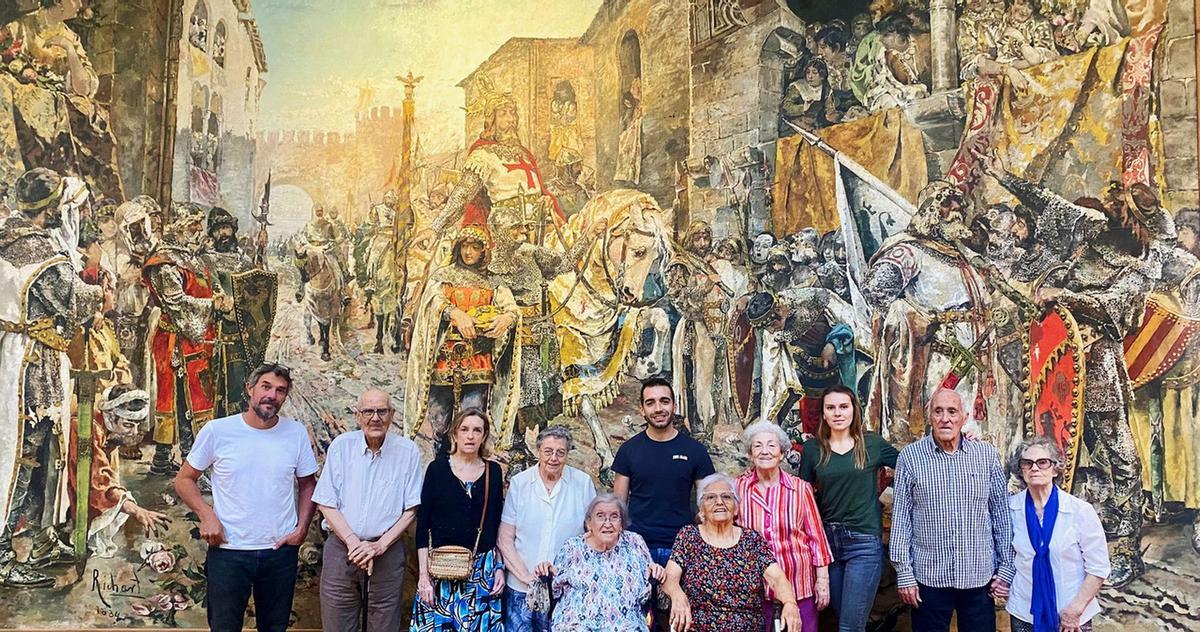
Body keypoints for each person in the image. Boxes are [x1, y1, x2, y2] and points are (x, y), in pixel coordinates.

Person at [0, 167, 104, 586]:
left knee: (40, 452)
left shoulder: (7, 236)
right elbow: (73, 302)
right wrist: (101, 293)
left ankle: (42, 538)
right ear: (51, 209)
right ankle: (5, 555)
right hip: (32, 363)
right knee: (23, 455)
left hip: (15, 356)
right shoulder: (39, 250)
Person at [173, 363, 318, 632]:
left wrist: (301, 530)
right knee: (225, 628)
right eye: (266, 387)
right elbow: (183, 479)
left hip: (279, 552)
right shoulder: (218, 431)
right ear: (250, 389)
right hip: (229, 550)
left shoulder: (295, 433)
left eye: (280, 390)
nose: (272, 395)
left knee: (274, 627)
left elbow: (308, 484)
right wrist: (207, 515)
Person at [889, 388, 1014, 632]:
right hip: (929, 578)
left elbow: (1000, 513)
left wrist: (1006, 566)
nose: (945, 418)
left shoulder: (986, 455)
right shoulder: (910, 457)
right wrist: (904, 573)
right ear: (930, 417)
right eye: (938, 411)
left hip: (979, 577)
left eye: (952, 411)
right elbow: (902, 517)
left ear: (964, 417)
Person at [404, 225, 519, 457]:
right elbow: (433, 301)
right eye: (465, 246)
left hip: (478, 359)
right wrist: (453, 313)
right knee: (440, 418)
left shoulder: (494, 282)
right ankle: (441, 460)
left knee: (473, 418)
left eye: (475, 247)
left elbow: (511, 308)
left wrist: (507, 318)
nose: (469, 252)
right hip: (443, 358)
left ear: (483, 252)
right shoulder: (443, 276)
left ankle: (469, 464)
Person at [313, 389, 423, 632]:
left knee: (384, 624)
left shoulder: (408, 452)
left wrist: (379, 546)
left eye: (382, 411)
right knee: (337, 624)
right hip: (342, 549)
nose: (375, 418)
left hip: (387, 550)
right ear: (357, 415)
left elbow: (411, 508)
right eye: (368, 411)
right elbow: (325, 502)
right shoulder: (341, 447)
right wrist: (353, 543)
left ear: (392, 414)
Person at [612, 377, 715, 630]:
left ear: (674, 405)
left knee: (678, 621)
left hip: (681, 549)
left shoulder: (695, 450)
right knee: (637, 618)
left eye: (664, 401)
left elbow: (706, 508)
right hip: (638, 548)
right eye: (651, 403)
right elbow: (617, 506)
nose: (658, 408)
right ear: (642, 409)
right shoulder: (629, 450)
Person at [798, 385, 900, 631]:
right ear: (823, 413)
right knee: (846, 619)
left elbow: (912, 463)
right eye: (831, 408)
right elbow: (801, 495)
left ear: (854, 410)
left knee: (849, 627)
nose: (838, 413)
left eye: (844, 407)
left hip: (863, 542)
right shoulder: (813, 450)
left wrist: (963, 438)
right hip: (828, 546)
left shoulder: (872, 444)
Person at [663, 474, 804, 632]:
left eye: (726, 497)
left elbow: (777, 578)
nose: (719, 502)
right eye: (710, 497)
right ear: (701, 509)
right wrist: (677, 595)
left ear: (736, 508)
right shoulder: (689, 536)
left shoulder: (752, 540)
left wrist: (790, 603)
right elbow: (670, 577)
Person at [413, 408, 505, 631]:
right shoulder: (437, 470)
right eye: (464, 429)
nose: (470, 436)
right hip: (440, 570)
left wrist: (500, 568)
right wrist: (424, 577)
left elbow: (496, 524)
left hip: (481, 570)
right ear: (454, 434)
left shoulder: (493, 472)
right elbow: (423, 526)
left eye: (477, 430)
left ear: (484, 436)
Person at [498, 425, 597, 632]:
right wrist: (525, 576)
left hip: (565, 590)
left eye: (560, 452)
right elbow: (505, 538)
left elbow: (591, 535)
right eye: (548, 451)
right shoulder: (520, 483)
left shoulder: (582, 483)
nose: (554, 458)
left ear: (567, 454)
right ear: (538, 451)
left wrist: (571, 574)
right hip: (521, 588)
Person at [1006, 437, 1110, 632]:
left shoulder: (1080, 511)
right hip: (1025, 611)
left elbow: (1098, 568)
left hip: (1071, 615)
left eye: (1043, 462)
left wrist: (1074, 611)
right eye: (1027, 463)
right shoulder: (1010, 509)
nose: (1034, 468)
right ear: (1021, 470)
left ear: (1055, 469)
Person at [736, 422, 832, 631]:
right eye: (758, 446)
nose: (765, 451)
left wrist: (822, 580)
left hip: (799, 583)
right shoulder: (737, 488)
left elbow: (816, 537)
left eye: (771, 445)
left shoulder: (800, 489)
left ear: (781, 453)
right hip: (755, 587)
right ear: (750, 455)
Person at [549, 494, 664, 631]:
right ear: (588, 523)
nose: (607, 523)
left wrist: (657, 572)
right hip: (577, 625)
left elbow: (649, 589)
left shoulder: (634, 543)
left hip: (625, 626)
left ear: (622, 523)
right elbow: (552, 590)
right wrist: (545, 572)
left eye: (614, 516)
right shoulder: (572, 547)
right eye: (600, 516)